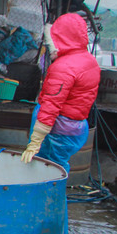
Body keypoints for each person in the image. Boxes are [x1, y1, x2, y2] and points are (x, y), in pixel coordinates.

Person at [21, 12, 100, 172]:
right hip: (76, 126)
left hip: (57, 129)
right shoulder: (90, 60)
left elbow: (51, 105)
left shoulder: (63, 67)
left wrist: (36, 141)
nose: (49, 44)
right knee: (59, 165)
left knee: (47, 168)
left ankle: (48, 189)